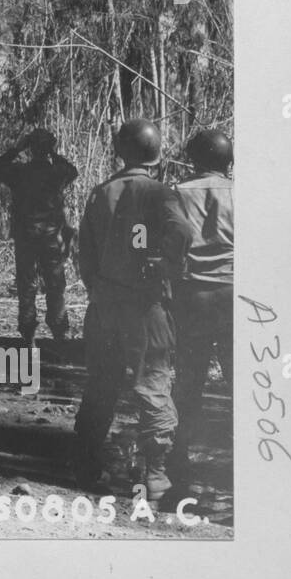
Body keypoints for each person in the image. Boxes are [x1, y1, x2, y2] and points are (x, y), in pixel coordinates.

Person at [73, 118, 191, 499]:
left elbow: (85, 253)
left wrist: (99, 287)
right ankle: (155, 475)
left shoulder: (99, 193)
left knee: (100, 384)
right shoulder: (160, 193)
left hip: (106, 305)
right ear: (156, 154)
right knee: (153, 383)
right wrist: (166, 267)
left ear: (122, 152)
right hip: (146, 307)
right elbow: (183, 232)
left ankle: (88, 466)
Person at [168, 129, 234, 495]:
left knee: (189, 380)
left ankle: (179, 459)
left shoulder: (178, 192)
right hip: (233, 293)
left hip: (191, 294)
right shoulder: (243, 193)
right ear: (228, 160)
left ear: (194, 158)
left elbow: (167, 241)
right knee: (237, 380)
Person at [0, 129, 79, 348]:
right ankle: (59, 332)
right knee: (55, 283)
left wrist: (17, 148)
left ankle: (28, 332)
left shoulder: (19, 173)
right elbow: (73, 171)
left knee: (27, 284)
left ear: (31, 148)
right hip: (51, 236)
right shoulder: (57, 172)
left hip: (26, 236)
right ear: (49, 148)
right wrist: (54, 153)